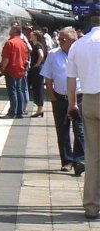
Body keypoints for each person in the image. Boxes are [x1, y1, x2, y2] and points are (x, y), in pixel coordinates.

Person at [67, 13, 100, 220]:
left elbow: (71, 80)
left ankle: (91, 206)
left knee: (93, 156)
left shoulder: (78, 46)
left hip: (88, 101)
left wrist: (72, 104)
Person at [41, 27, 85, 173]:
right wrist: (52, 96)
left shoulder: (80, 53)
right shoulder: (53, 54)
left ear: (72, 40)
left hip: (79, 97)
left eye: (62, 39)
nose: (59, 42)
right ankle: (66, 161)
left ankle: (79, 159)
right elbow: (47, 76)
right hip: (60, 98)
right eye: (59, 39)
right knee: (62, 130)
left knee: (80, 130)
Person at [0, 23, 30, 119]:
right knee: (19, 91)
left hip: (11, 70)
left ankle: (12, 113)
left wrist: (2, 68)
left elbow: (6, 59)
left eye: (11, 29)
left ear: (15, 31)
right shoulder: (23, 43)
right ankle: (20, 113)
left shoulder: (10, 43)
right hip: (21, 70)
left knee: (12, 91)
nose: (10, 30)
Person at [28, 30, 47, 118]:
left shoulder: (38, 45)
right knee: (36, 88)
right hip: (37, 69)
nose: (30, 36)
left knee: (38, 88)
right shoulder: (36, 45)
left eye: (31, 35)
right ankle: (39, 109)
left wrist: (38, 64)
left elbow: (41, 55)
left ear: (35, 36)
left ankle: (40, 110)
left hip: (38, 70)